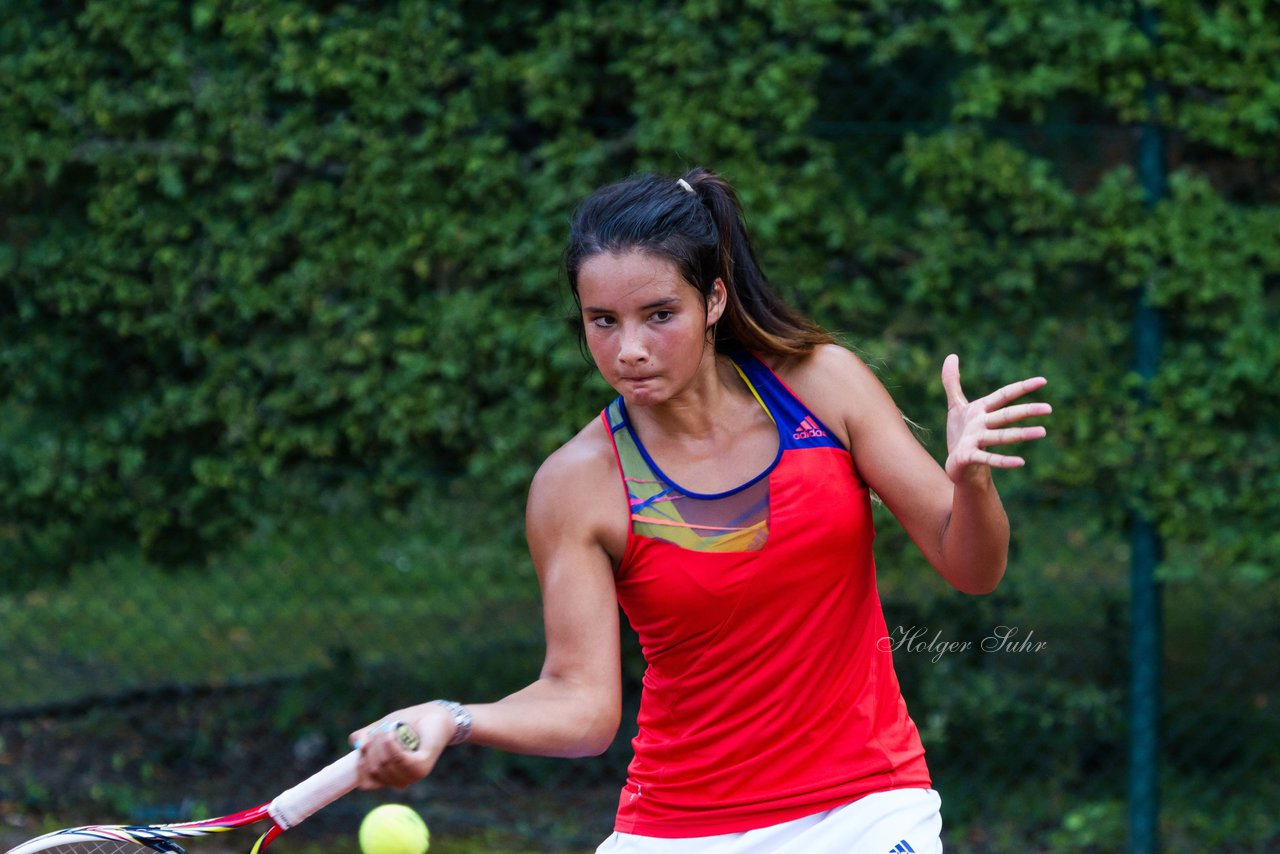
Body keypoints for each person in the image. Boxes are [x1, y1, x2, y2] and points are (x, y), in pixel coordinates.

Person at [351, 167, 1051, 852]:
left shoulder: (820, 386)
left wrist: (971, 484)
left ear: (714, 300)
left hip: (865, 808)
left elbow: (973, 568)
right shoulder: (577, 485)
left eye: (659, 315)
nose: (629, 350)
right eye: (603, 321)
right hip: (676, 825)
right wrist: (451, 718)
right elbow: (584, 706)